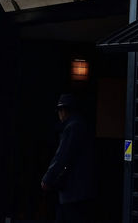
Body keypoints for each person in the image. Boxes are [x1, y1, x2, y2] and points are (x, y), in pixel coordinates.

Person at [41, 93, 96, 223]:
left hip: (73, 190)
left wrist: (47, 178)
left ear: (64, 110)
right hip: (82, 190)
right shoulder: (81, 125)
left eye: (60, 111)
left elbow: (62, 156)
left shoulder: (72, 127)